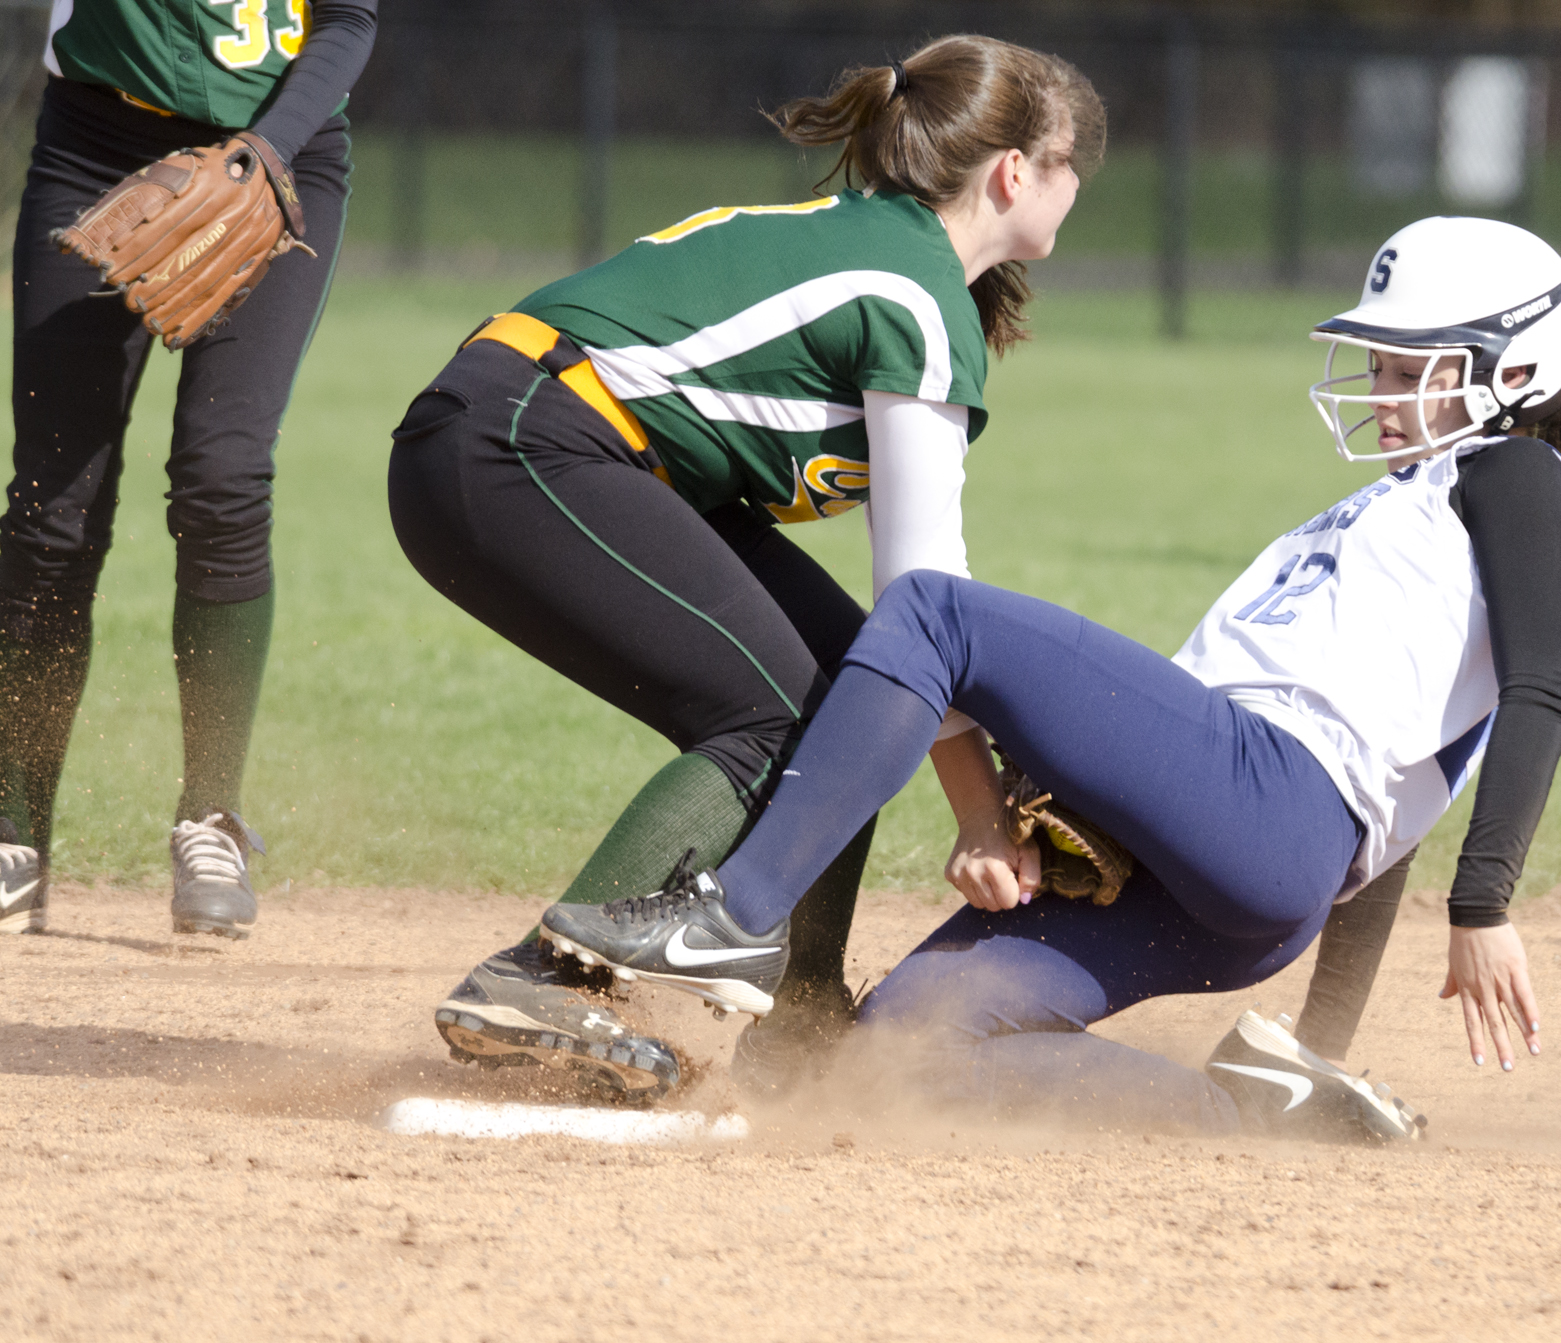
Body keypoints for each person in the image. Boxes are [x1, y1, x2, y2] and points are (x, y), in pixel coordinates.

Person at [536, 216, 1561, 1138]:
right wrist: (1315, 1047)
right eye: (1380, 362)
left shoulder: (1519, 473)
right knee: (903, 1045)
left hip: (1264, 806)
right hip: (1243, 857)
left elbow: (1537, 695)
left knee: (933, 613)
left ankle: (729, 919)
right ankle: (1251, 1113)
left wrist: (1483, 903)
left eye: (1415, 368)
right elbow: (1385, 804)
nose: (1382, 388)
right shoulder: (1397, 508)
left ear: (1516, 372)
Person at [389, 36, 1107, 1101]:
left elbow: (897, 650)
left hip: (527, 439)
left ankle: (803, 1026)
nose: (1078, 184)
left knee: (852, 688)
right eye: (1069, 161)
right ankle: (541, 980)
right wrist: (978, 809)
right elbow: (926, 599)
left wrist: (972, 784)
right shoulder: (916, 294)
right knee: (780, 713)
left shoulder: (881, 246)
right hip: (523, 443)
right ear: (1014, 173)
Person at [0, 0, 377, 938]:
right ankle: (12, 830)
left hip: (278, 157)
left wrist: (265, 151)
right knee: (52, 503)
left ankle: (211, 819)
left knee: (224, 476)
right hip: (95, 144)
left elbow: (348, 18)